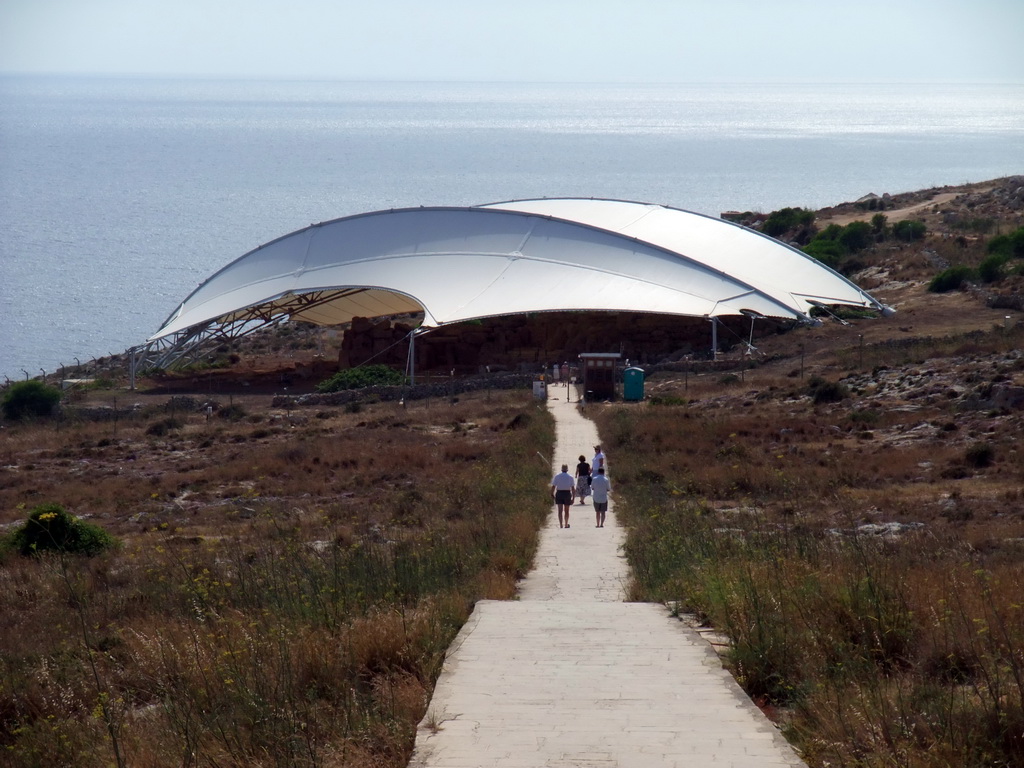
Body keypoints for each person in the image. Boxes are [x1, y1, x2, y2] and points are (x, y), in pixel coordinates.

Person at [550, 464, 576, 528]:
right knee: (566, 510)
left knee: (560, 510)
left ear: (561, 469)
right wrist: (573, 498)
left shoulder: (557, 476)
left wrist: (552, 493)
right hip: (567, 493)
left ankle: (561, 524)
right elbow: (573, 488)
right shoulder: (570, 477)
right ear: (567, 469)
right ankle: (566, 524)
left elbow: (553, 486)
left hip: (559, 493)